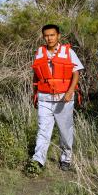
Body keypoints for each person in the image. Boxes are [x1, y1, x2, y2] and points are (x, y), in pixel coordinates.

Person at [25, 24, 83, 177]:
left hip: (63, 98)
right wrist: (34, 94)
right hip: (44, 98)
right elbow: (36, 75)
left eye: (52, 35)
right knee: (43, 130)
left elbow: (76, 73)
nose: (49, 38)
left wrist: (70, 91)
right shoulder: (39, 53)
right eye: (46, 35)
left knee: (65, 130)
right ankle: (38, 160)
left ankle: (66, 158)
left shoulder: (68, 52)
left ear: (58, 35)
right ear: (43, 36)